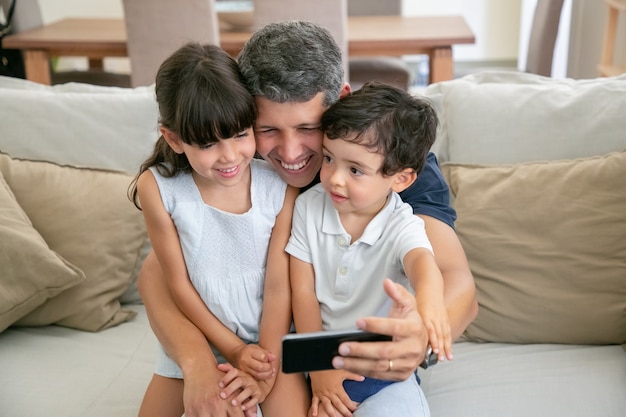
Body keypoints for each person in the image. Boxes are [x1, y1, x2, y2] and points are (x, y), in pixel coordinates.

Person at [137, 21, 478, 417]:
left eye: (308, 128)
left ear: (339, 103)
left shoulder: (385, 163)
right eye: (267, 129)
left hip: (348, 359)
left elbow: (457, 283)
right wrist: (195, 361)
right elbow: (159, 272)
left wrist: (421, 334)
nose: (290, 151)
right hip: (266, 352)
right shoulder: (236, 162)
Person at [128, 42, 303, 417]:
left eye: (240, 135)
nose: (229, 156)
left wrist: (259, 358)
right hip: (201, 339)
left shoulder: (278, 185)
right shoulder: (159, 189)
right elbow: (176, 284)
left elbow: (277, 286)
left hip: (267, 343)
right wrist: (231, 349)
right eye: (208, 144)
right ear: (174, 139)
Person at [287, 82, 452, 417]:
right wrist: (319, 369)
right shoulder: (308, 206)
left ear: (401, 179)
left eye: (355, 170)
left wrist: (430, 303)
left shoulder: (401, 222)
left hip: (384, 373)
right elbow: (302, 293)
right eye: (330, 158)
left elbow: (422, 262)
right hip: (319, 367)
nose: (334, 178)